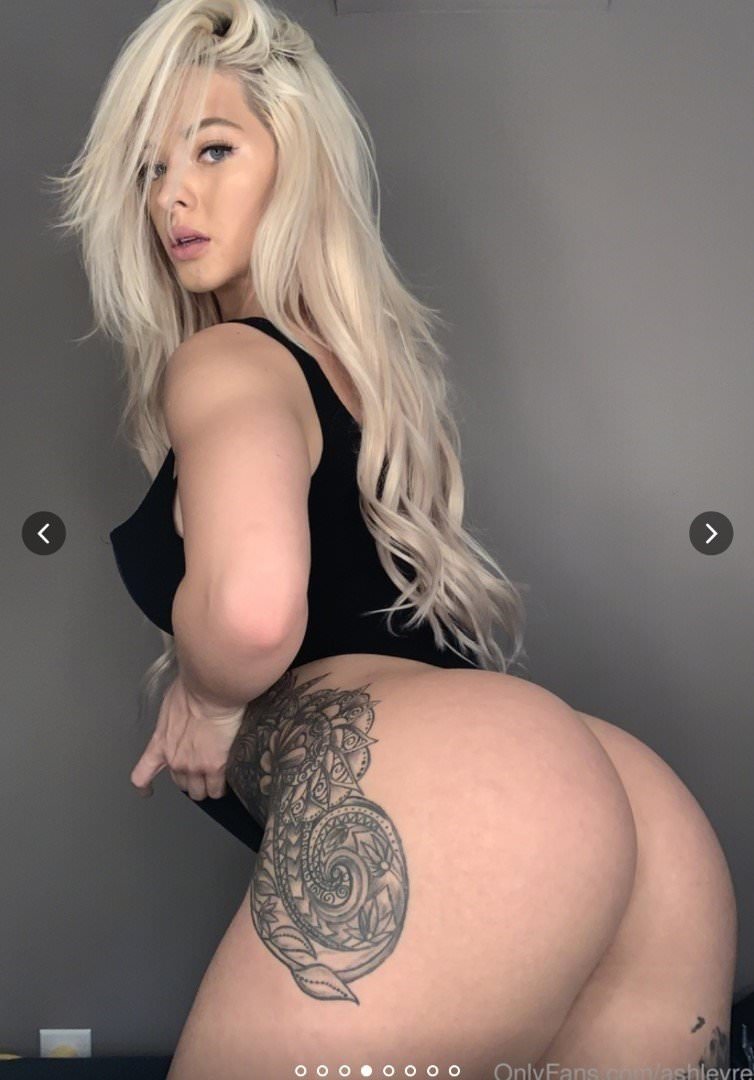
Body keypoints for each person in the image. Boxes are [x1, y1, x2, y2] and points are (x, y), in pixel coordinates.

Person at [47, 1, 737, 1076]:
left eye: (213, 149)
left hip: (464, 795)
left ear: (297, 158)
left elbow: (251, 611)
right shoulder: (368, 381)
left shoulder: (227, 361)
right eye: (149, 169)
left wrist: (208, 694)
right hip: (629, 799)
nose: (171, 195)